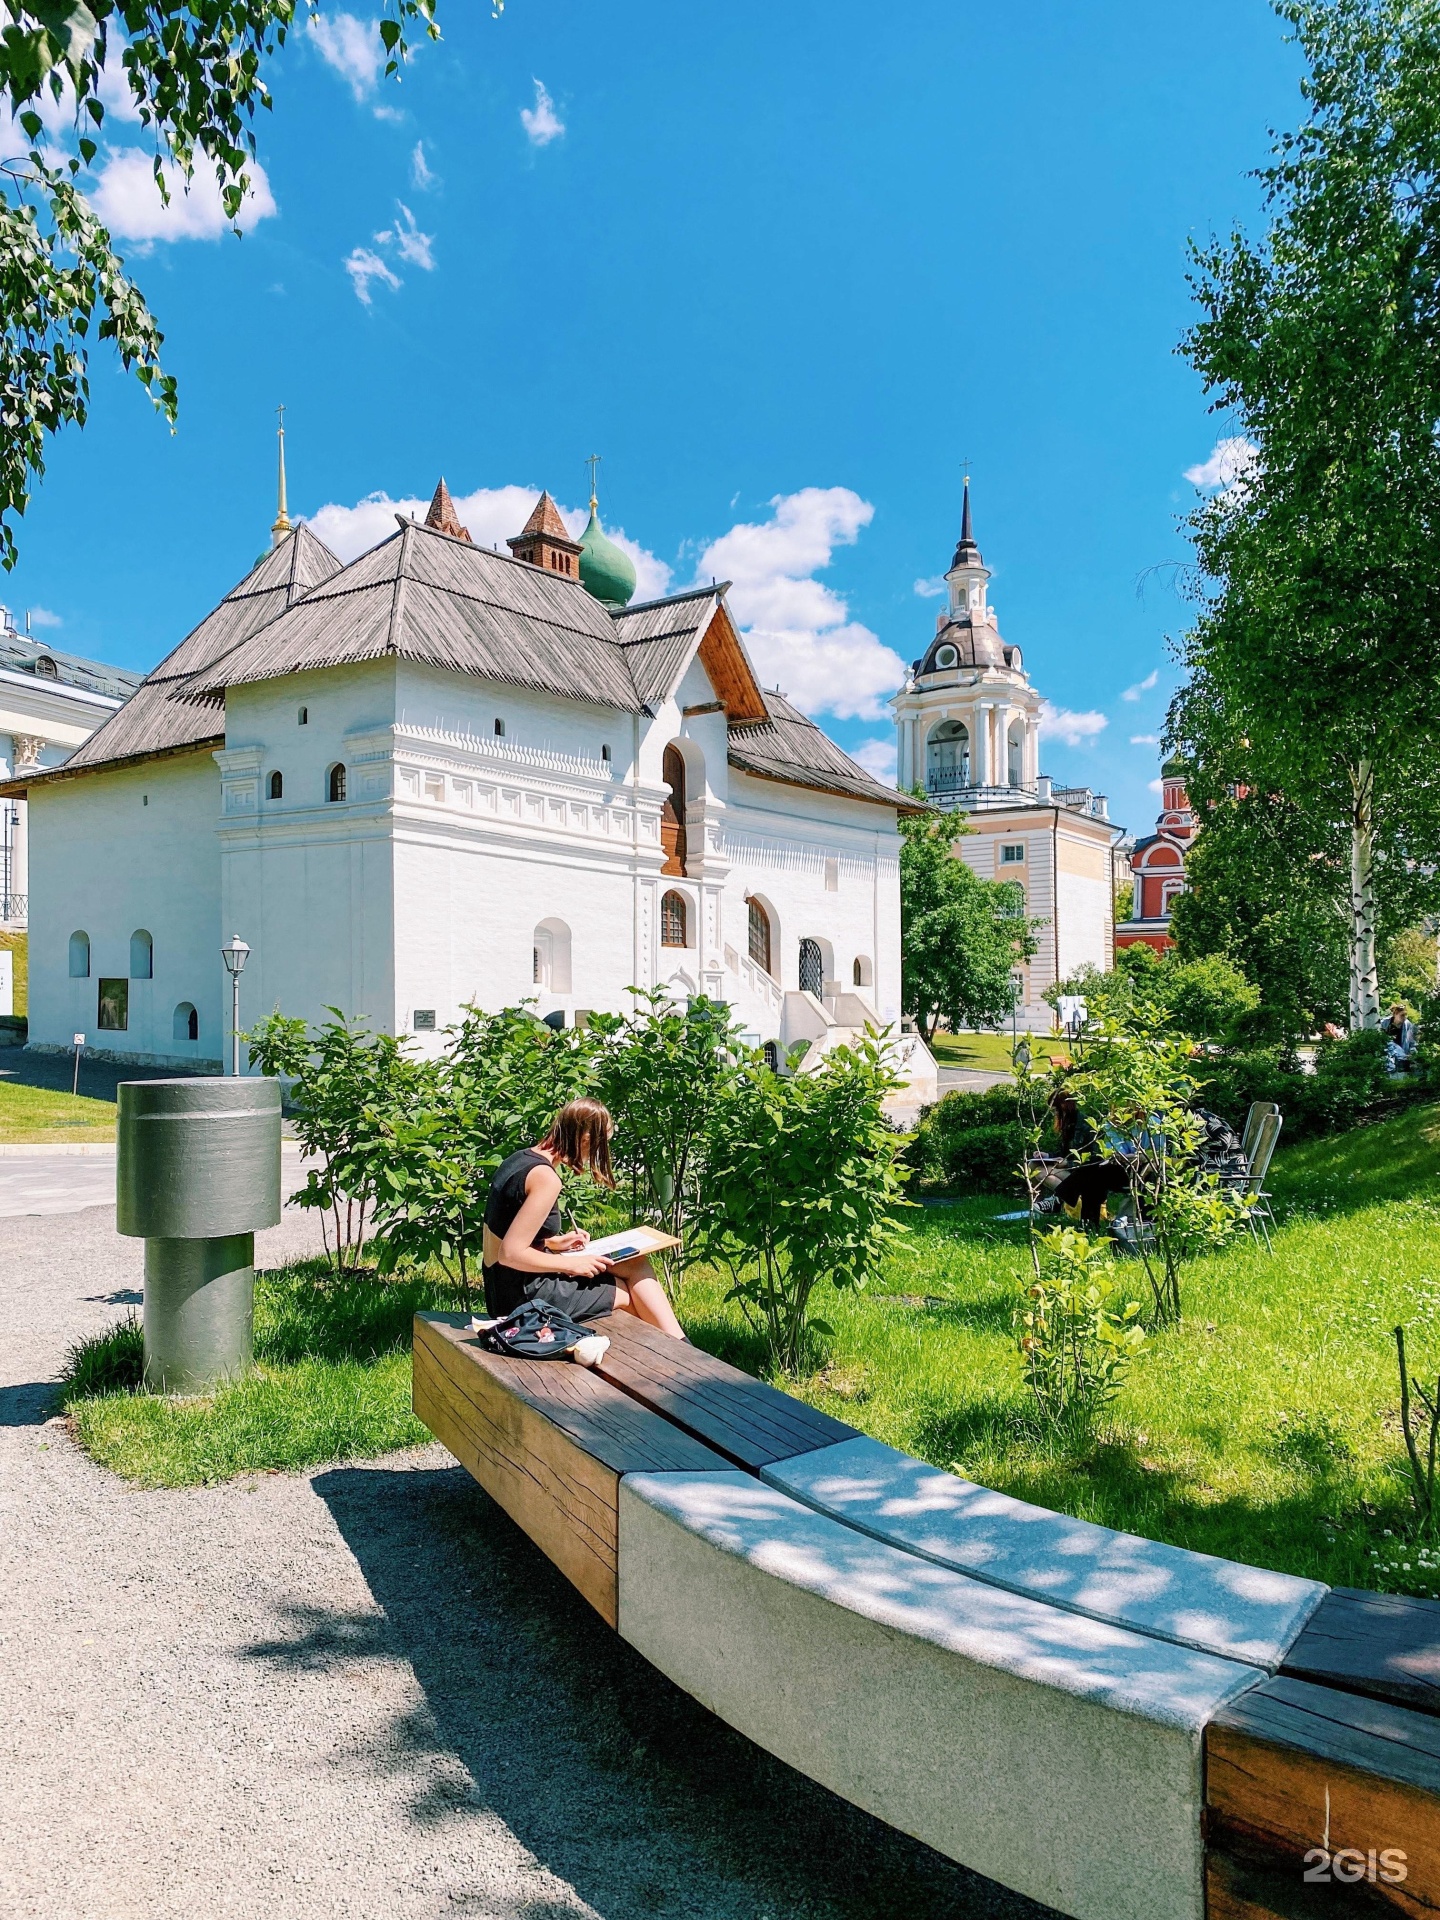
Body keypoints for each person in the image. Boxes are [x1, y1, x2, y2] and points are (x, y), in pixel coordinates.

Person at [481, 1097, 686, 1338]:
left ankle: (681, 1344)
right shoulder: (545, 1179)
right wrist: (573, 1264)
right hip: (522, 1297)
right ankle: (679, 1355)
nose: (593, 1156)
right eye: (599, 1146)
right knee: (628, 1296)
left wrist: (552, 1243)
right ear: (586, 1139)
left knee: (634, 1263)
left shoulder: (519, 1159)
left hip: (502, 1287)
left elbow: (503, 1234)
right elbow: (510, 1254)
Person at [1383, 1004, 1418, 1073]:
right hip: (1387, 1053)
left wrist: (1412, 1054)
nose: (1404, 1017)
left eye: (1405, 1015)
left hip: (1403, 1054)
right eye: (1402, 1015)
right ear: (1395, 1014)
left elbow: (1412, 1042)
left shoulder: (1408, 1025)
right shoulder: (1385, 1023)